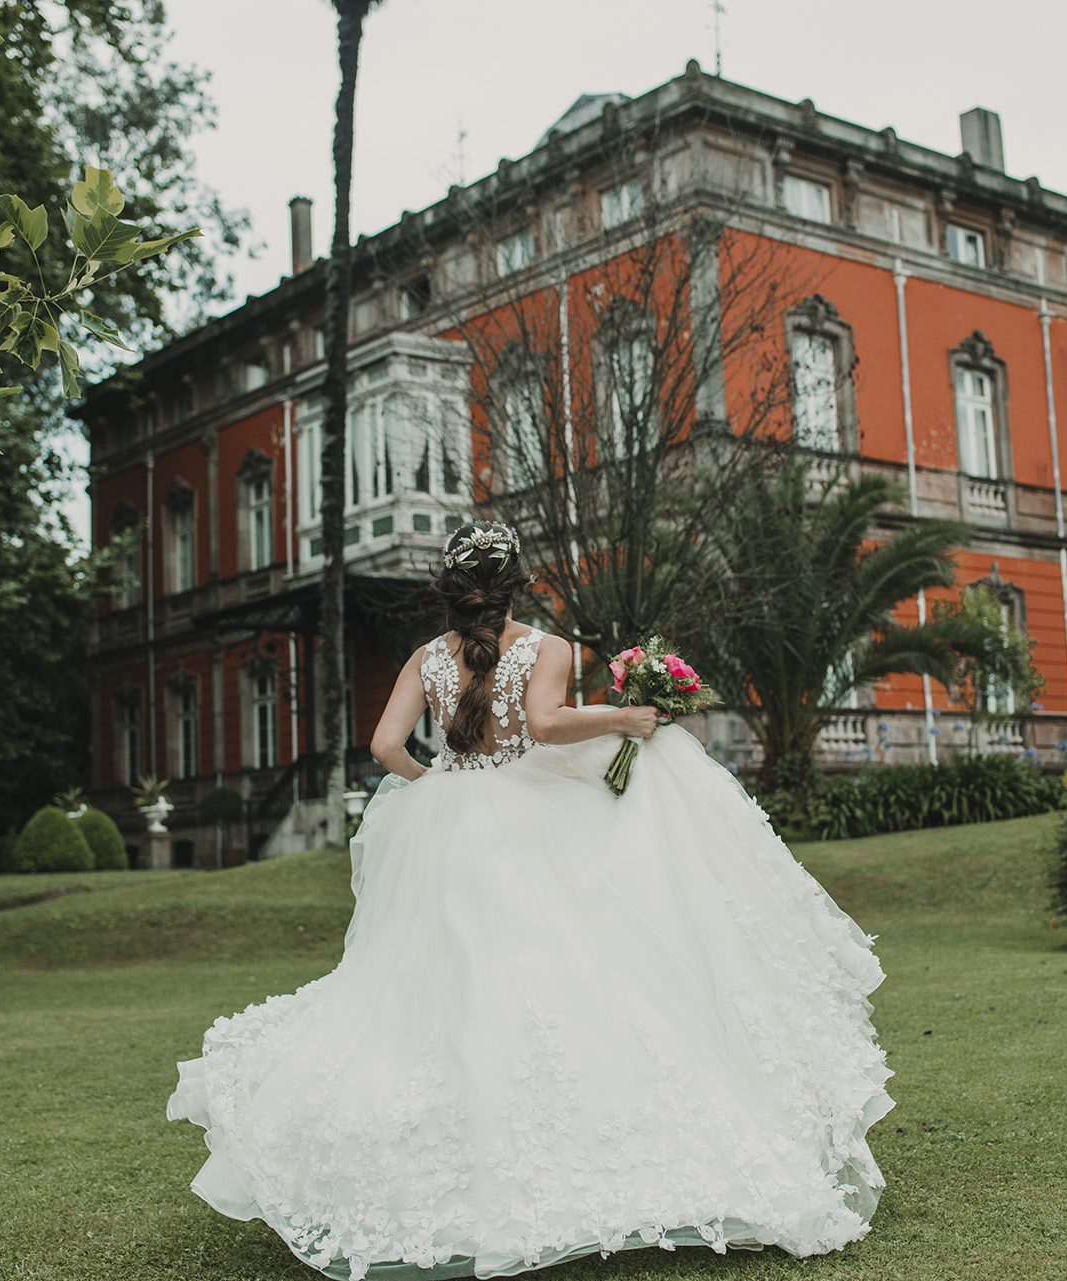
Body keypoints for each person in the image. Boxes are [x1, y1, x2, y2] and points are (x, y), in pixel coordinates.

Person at [167, 521, 892, 1281]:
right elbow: (546, 726)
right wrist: (626, 717)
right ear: (515, 583)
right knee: (561, 965)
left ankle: (449, 1158)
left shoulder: (424, 657)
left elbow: (385, 746)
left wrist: (436, 788)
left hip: (445, 827)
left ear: (450, 589)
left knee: (431, 986)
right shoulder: (546, 647)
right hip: (525, 816)